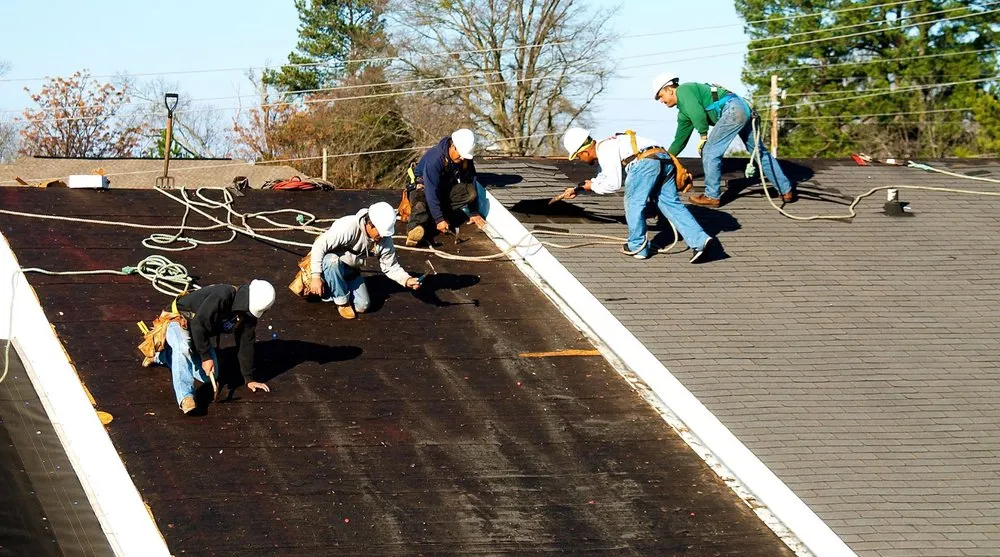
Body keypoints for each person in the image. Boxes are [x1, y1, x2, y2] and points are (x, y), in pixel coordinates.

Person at [560, 127, 716, 263]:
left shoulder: (605, 149)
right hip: (664, 159)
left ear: (585, 151)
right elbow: (603, 177)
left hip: (645, 163)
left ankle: (637, 247)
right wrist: (579, 189)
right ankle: (700, 241)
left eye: (579, 156)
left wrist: (593, 186)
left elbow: (613, 184)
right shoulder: (608, 144)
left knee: (633, 202)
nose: (581, 160)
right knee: (669, 203)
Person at [651, 72, 795, 208]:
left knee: (710, 150)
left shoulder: (684, 90)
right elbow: (679, 140)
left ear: (669, 89)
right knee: (759, 152)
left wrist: (703, 136)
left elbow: (698, 114)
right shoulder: (684, 112)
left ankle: (712, 196)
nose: (661, 101)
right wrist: (667, 158)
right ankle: (785, 190)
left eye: (661, 96)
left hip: (732, 109)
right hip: (744, 109)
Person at [148, 280, 275, 414]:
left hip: (198, 333)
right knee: (183, 348)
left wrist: (249, 378)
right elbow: (198, 324)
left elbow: (246, 343)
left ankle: (163, 356)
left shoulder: (247, 315)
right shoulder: (223, 296)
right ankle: (185, 397)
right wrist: (206, 356)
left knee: (209, 376)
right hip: (178, 320)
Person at [307, 201, 421, 319]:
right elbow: (319, 245)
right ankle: (341, 301)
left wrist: (406, 279)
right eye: (380, 232)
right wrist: (316, 276)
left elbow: (391, 266)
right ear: (370, 224)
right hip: (329, 265)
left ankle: (332, 289)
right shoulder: (348, 227)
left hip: (351, 269)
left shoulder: (384, 239)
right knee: (332, 261)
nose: (382, 237)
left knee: (362, 306)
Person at [404, 128, 486, 246]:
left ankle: (433, 216)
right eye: (461, 155)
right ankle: (415, 231)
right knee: (420, 204)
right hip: (423, 188)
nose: (462, 158)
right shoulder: (435, 159)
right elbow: (431, 191)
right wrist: (439, 219)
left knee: (469, 192)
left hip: (443, 190)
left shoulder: (464, 158)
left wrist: (474, 212)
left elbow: (471, 180)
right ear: (452, 146)